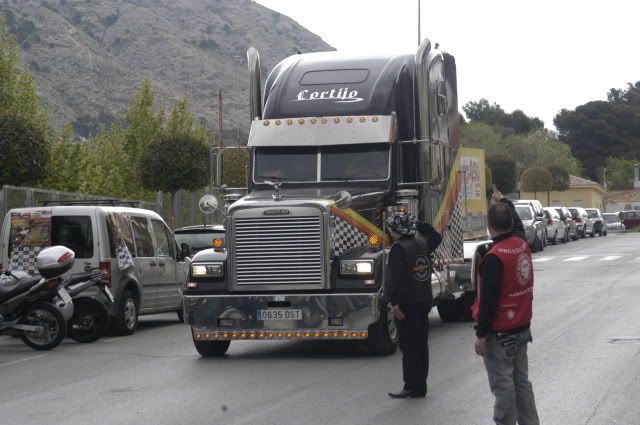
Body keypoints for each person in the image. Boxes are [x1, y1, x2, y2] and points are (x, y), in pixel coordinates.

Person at [472, 196, 540, 425]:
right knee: (521, 382)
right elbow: (519, 227)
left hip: (500, 334)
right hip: (522, 328)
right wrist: (504, 200)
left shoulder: (495, 257)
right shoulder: (522, 244)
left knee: (503, 386)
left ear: (490, 226)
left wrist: (481, 335)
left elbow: (488, 301)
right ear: (511, 223)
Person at [386, 209, 442, 399]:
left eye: (391, 228)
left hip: (407, 303)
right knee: (421, 344)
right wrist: (416, 222)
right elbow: (436, 235)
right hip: (424, 300)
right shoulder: (422, 243)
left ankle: (410, 385)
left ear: (396, 230)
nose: (390, 232)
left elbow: (397, 280)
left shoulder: (398, 249)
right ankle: (421, 386)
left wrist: (395, 303)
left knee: (408, 347)